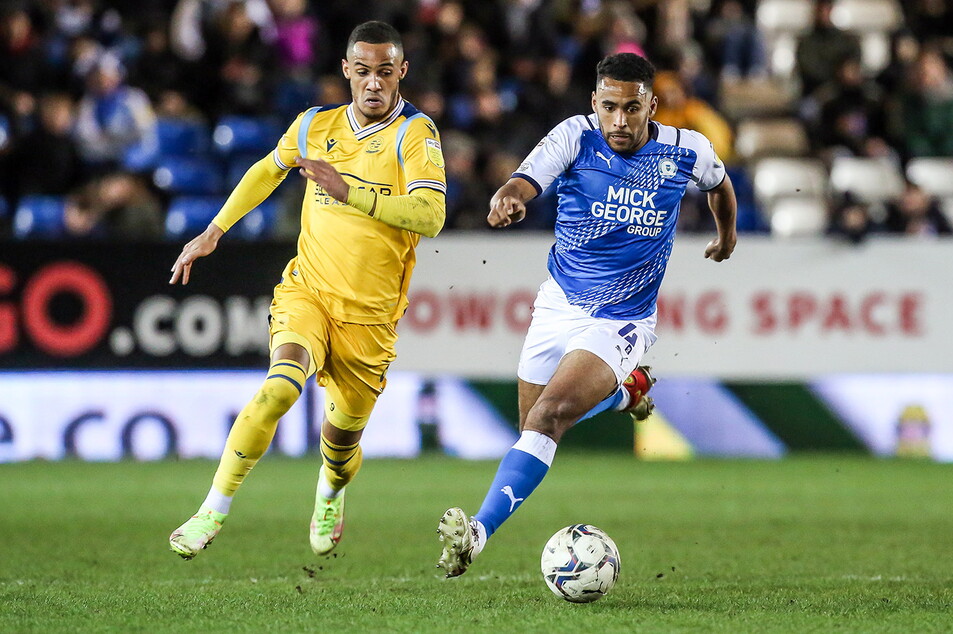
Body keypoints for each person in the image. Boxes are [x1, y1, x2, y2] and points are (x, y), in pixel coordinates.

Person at [436, 52, 737, 578]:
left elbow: (721, 186)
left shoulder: (687, 150)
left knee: (549, 416)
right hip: (557, 304)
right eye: (608, 107)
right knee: (532, 428)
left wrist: (726, 235)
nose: (618, 121)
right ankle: (627, 393)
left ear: (652, 106)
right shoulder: (575, 137)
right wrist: (508, 196)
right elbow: (526, 179)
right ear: (593, 103)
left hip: (622, 319)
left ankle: (477, 534)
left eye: (631, 108)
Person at [168, 20, 446, 560]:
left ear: (401, 74)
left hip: (369, 317)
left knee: (340, 444)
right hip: (309, 291)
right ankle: (211, 510)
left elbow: (430, 215)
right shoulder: (313, 126)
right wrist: (213, 232)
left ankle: (330, 490)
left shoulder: (416, 135)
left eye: (384, 73)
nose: (372, 83)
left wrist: (351, 189)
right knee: (278, 389)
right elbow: (267, 170)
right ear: (346, 70)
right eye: (362, 71)